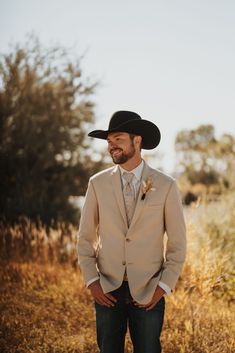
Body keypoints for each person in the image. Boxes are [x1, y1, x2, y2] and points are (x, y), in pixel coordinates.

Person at [77, 110, 187, 353]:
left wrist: (163, 287)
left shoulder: (166, 186)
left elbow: (178, 244)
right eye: (109, 141)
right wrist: (92, 282)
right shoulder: (97, 183)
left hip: (149, 290)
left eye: (118, 139)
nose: (111, 146)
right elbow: (84, 237)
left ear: (137, 140)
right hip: (107, 289)